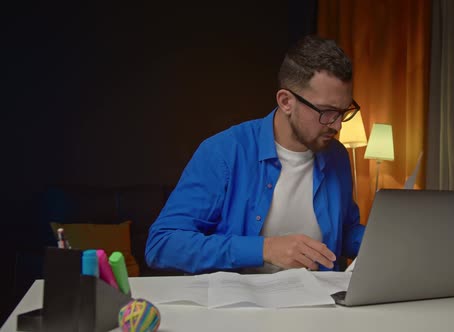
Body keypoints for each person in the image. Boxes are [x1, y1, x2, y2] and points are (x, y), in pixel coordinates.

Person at [145, 35, 365, 274]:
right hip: (242, 308)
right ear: (286, 101)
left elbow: (344, 233)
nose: (337, 126)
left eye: (343, 111)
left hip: (321, 305)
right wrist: (264, 249)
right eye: (327, 112)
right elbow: (162, 245)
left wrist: (393, 240)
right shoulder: (223, 152)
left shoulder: (337, 156)